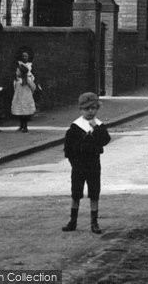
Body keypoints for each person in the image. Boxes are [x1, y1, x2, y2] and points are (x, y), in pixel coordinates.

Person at [62, 92, 111, 234]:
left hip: (94, 164)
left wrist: (96, 127)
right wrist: (74, 163)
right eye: (87, 109)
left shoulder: (99, 125)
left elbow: (105, 140)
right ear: (81, 110)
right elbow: (68, 149)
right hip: (78, 165)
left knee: (94, 192)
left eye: (94, 108)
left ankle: (94, 222)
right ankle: (73, 221)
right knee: (76, 193)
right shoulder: (75, 127)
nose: (91, 111)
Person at [11, 63, 36, 133]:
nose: (16, 72)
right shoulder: (16, 80)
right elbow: (15, 88)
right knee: (20, 112)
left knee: (25, 112)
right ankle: (21, 125)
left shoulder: (27, 79)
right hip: (18, 97)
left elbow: (33, 87)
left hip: (25, 97)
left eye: (18, 71)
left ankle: (25, 126)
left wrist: (30, 93)